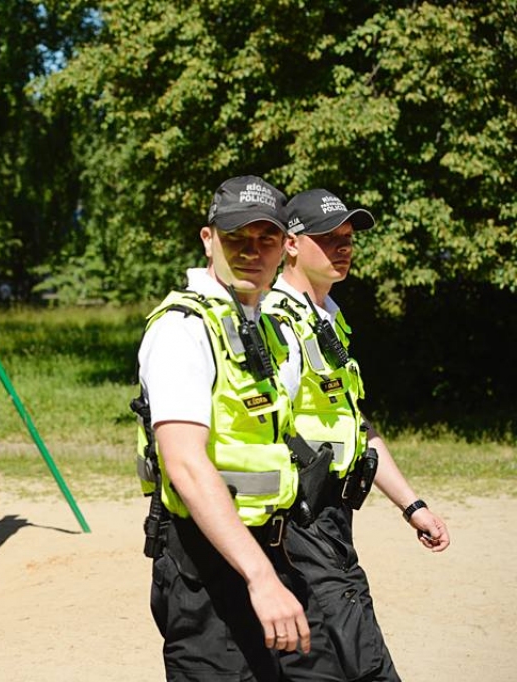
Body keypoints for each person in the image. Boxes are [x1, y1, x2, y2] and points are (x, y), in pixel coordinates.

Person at [136, 175, 345, 680]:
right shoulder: (182, 329)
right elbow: (185, 462)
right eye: (236, 238)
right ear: (208, 239)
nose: (252, 251)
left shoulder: (269, 329)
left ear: (283, 248)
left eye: (265, 239)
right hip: (206, 569)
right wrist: (258, 576)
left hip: (275, 554)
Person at [261, 189, 451, 680]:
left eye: (347, 238)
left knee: (330, 656)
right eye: (328, 238)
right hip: (300, 520)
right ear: (292, 245)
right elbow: (260, 428)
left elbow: (354, 422)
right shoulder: (275, 322)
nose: (343, 247)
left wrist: (413, 505)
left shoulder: (329, 316)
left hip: (333, 517)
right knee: (354, 662)